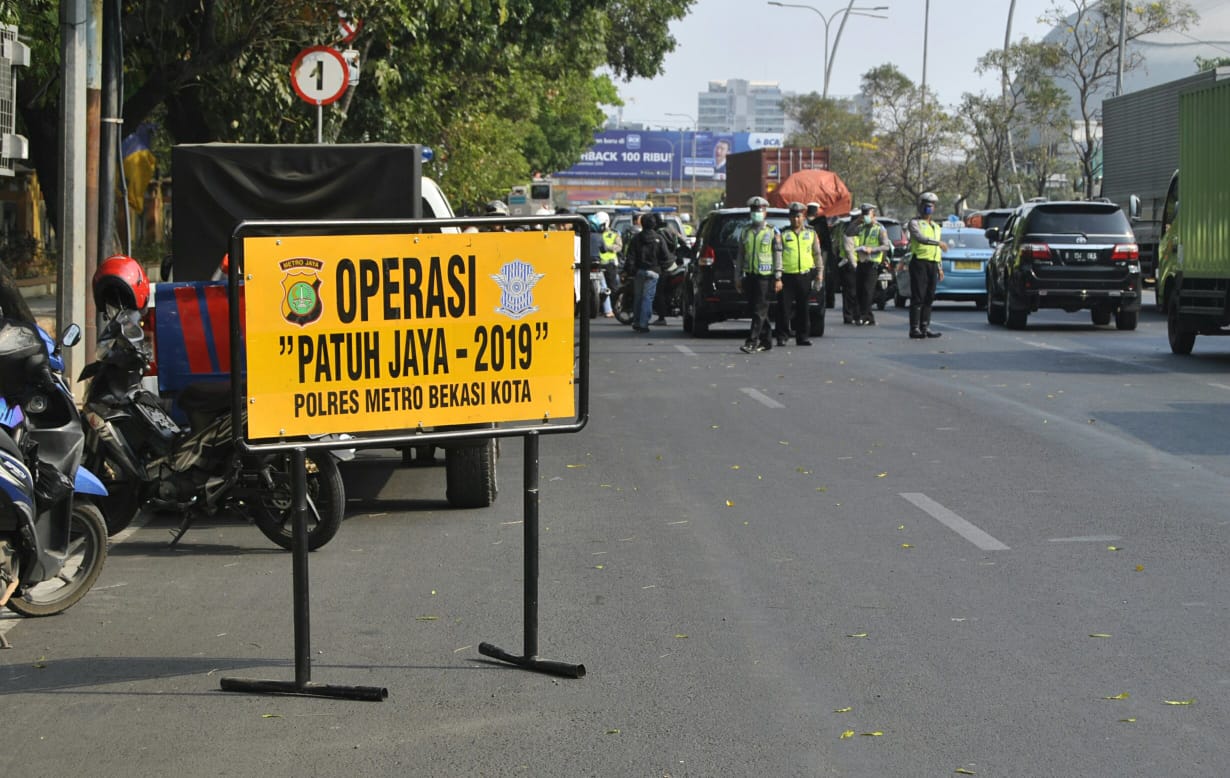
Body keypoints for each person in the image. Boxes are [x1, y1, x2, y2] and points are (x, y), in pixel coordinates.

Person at [735, 196, 783, 353]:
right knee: (756, 309)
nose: (756, 213)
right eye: (754, 211)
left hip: (765, 277)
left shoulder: (772, 232)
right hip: (750, 275)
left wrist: (778, 277)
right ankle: (767, 340)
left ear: (765, 213)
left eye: (760, 211)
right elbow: (741, 256)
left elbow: (777, 255)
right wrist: (738, 277)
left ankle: (752, 341)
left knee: (759, 310)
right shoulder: (745, 232)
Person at [776, 202, 823, 346]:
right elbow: (777, 255)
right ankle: (783, 336)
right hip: (787, 275)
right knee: (784, 308)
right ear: (789, 218)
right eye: (793, 217)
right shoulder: (783, 234)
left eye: (798, 217)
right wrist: (778, 276)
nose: (796, 220)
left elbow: (817, 254)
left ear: (803, 217)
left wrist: (819, 272)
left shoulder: (811, 233)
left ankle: (803, 337)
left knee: (804, 308)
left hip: (804, 275)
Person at [904, 191, 949, 339]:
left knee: (929, 297)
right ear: (920, 206)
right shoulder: (914, 223)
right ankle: (914, 328)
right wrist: (938, 243)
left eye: (931, 205)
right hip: (919, 263)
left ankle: (925, 327)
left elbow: (937, 249)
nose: (928, 208)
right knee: (918, 296)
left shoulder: (936, 226)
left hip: (933, 263)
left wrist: (940, 267)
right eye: (926, 205)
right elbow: (920, 238)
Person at [843, 203, 892, 326]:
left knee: (867, 291)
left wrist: (872, 249)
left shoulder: (880, 228)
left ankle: (865, 316)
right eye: (863, 214)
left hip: (873, 263)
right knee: (859, 291)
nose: (865, 217)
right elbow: (848, 233)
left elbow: (886, 245)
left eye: (867, 214)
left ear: (873, 215)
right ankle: (864, 316)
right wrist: (857, 221)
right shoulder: (862, 227)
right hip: (862, 262)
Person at [625, 211, 674, 333]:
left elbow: (630, 257)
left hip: (640, 272)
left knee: (638, 297)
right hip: (654, 272)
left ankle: (637, 322)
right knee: (648, 298)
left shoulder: (636, 238)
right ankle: (643, 324)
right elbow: (666, 258)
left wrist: (631, 271)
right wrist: (661, 268)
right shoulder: (659, 238)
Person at [586, 213, 614, 318]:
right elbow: (604, 249)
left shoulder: (582, 236)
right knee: (604, 286)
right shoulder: (600, 237)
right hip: (597, 264)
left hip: (585, 264)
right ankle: (608, 311)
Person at [595, 211, 621, 318]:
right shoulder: (595, 234)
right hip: (597, 264)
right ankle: (601, 308)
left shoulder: (614, 234)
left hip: (610, 265)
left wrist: (607, 247)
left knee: (612, 287)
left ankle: (613, 307)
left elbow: (619, 247)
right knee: (598, 288)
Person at [837, 210, 861, 324]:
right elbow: (846, 249)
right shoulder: (848, 231)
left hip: (859, 263)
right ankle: (849, 316)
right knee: (849, 292)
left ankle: (856, 315)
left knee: (857, 292)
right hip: (848, 265)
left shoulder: (859, 230)